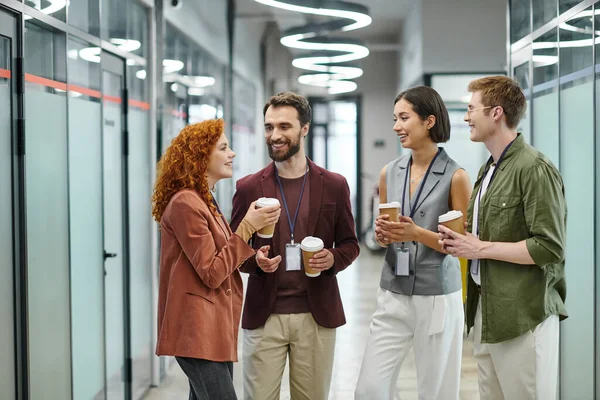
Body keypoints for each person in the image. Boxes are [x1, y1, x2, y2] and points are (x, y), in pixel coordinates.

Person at [439, 76, 567, 400]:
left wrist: (479, 247)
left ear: (496, 113)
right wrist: (461, 241)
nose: (467, 117)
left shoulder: (534, 168)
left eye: (471, 109)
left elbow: (549, 246)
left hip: (524, 316)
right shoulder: (488, 170)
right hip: (487, 312)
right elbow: (488, 237)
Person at [230, 92, 360, 400]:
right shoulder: (248, 187)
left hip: (316, 315)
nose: (274, 135)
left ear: (304, 128)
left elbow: (350, 244)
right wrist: (255, 261)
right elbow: (233, 250)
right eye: (269, 127)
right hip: (265, 315)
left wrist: (331, 258)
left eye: (284, 126)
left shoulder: (334, 184)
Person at [355, 86, 472, 400]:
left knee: (436, 392)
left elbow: (461, 245)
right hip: (392, 289)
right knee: (369, 390)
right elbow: (387, 233)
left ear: (429, 121)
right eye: (395, 118)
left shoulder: (456, 176)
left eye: (404, 117)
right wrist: (383, 235)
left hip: (436, 297)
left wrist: (417, 233)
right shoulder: (389, 173)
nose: (396, 126)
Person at [151, 119, 281, 400]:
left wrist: (253, 260)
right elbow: (211, 272)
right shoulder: (186, 203)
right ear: (201, 157)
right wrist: (247, 226)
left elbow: (219, 256)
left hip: (211, 327)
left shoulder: (202, 199)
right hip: (195, 331)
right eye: (223, 148)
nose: (232, 153)